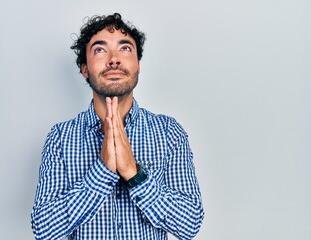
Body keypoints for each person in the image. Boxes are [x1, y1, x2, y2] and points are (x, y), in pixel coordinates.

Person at [31, 13, 204, 240]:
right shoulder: (60, 137)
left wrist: (133, 173)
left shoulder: (169, 132)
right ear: (84, 68)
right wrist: (102, 172)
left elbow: (190, 223)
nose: (114, 59)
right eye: (100, 50)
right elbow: (44, 229)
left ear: (138, 65)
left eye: (125, 49)